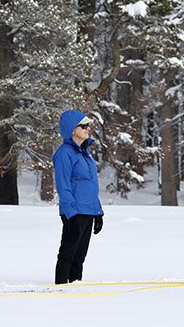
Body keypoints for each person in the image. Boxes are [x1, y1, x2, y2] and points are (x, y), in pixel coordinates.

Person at [53, 109, 104, 284]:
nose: (87, 129)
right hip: (74, 212)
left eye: (88, 125)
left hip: (88, 211)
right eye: (83, 126)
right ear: (71, 129)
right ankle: (60, 288)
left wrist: (98, 212)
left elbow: (90, 185)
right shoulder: (64, 153)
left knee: (80, 257)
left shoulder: (85, 153)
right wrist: (70, 214)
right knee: (68, 254)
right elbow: (63, 185)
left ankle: (76, 289)